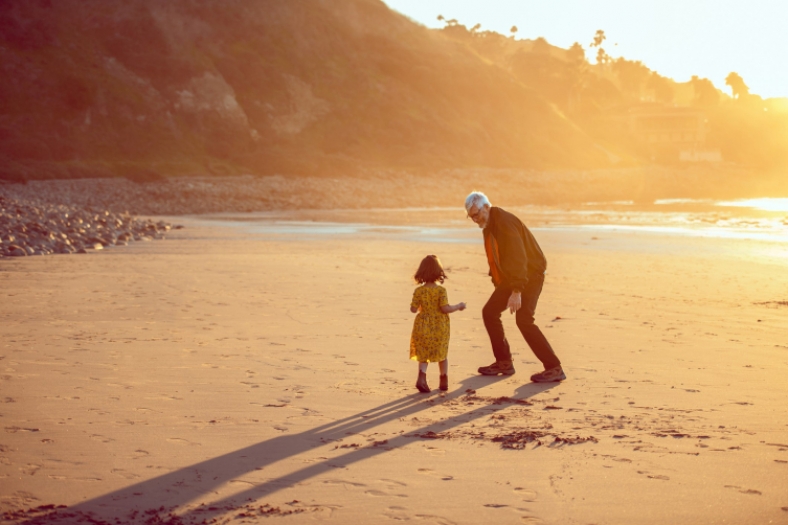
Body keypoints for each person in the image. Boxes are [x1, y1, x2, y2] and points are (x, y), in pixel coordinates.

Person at [464, 191, 566, 383]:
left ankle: (554, 368)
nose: (475, 219)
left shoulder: (504, 223)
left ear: (486, 207)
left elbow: (519, 257)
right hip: (514, 277)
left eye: (477, 214)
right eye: (471, 216)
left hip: (530, 274)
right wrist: (500, 284)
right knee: (490, 312)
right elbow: (496, 257)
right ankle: (504, 362)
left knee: (524, 320)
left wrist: (516, 291)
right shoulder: (489, 225)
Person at [409, 255, 466, 393]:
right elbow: (445, 308)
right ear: (438, 272)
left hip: (422, 324)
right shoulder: (441, 291)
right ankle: (443, 380)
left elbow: (413, 309)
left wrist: (421, 306)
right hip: (439, 326)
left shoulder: (419, 291)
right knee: (442, 352)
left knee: (423, 353)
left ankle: (421, 378)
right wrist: (458, 306)